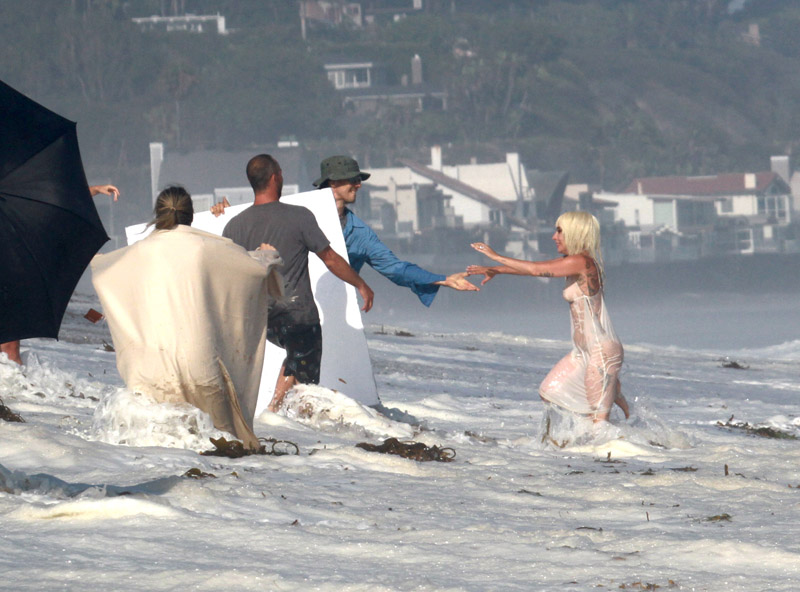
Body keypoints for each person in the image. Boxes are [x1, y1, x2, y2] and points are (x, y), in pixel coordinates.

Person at [91, 186, 283, 450]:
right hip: (200, 366)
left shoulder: (140, 251)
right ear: (190, 215)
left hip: (149, 370)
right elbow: (252, 268)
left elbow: (103, 270)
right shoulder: (205, 248)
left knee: (155, 452)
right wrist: (267, 255)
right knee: (220, 450)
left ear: (158, 214)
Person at [222, 154, 374, 413]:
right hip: (299, 315)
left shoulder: (233, 226)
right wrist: (361, 284)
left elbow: (228, 277)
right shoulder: (299, 216)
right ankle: (279, 416)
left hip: (262, 321)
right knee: (305, 382)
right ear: (274, 178)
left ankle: (277, 415)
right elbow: (330, 259)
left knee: (294, 357)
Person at [467, 211, 629, 423]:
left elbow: (535, 270)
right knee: (549, 392)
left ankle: (622, 448)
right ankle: (574, 439)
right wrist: (496, 270)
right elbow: (535, 270)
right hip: (582, 352)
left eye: (560, 231)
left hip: (601, 351)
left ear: (575, 232)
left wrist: (496, 256)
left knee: (598, 421)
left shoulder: (582, 262)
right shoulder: (573, 262)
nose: (554, 236)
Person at [312, 155, 477, 305]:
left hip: (333, 309)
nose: (359, 185)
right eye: (353, 180)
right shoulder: (302, 215)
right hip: (297, 302)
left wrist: (444, 280)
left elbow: (395, 268)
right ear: (333, 182)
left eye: (359, 180)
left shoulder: (360, 233)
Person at [1, 183, 121, 366]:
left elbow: (56, 203)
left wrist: (95, 190)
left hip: (11, 275)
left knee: (10, 346)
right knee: (8, 345)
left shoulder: (12, 197)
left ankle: (16, 385)